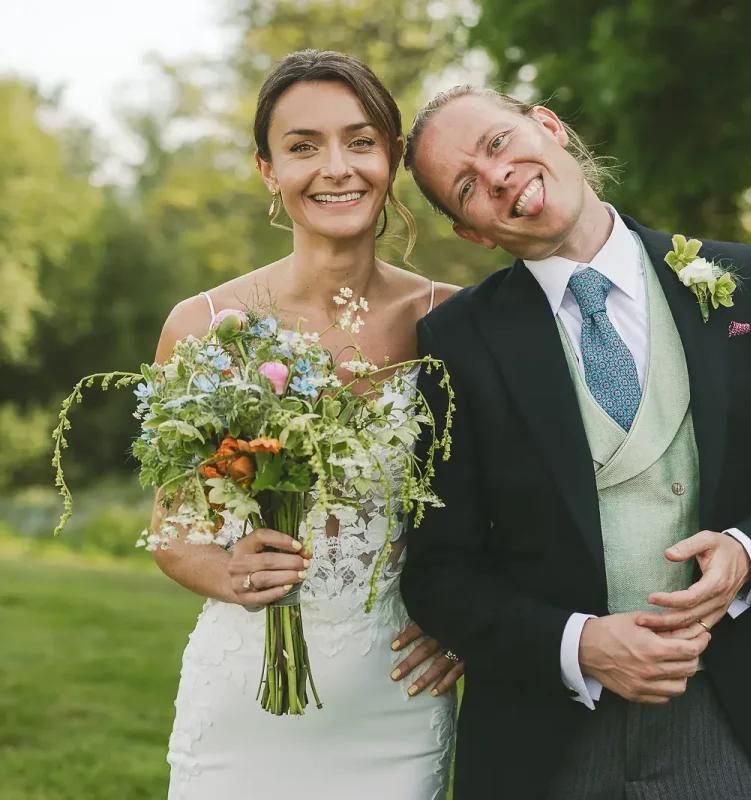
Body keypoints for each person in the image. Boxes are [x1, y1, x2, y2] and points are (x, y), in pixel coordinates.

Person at [399, 86, 751, 800]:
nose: (498, 177)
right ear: (473, 234)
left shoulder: (736, 281)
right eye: (467, 186)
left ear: (548, 126)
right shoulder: (456, 341)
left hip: (718, 714)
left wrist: (747, 553)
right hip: (543, 738)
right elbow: (439, 574)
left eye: (497, 144)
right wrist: (578, 646)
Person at [151, 51, 459, 799]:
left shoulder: (454, 320)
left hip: (397, 702)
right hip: (242, 700)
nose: (336, 168)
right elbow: (173, 528)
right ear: (267, 168)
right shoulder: (205, 326)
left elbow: (515, 504)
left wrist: (472, 620)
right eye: (302, 146)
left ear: (391, 157)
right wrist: (224, 567)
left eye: (360, 141)